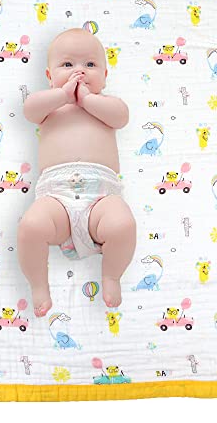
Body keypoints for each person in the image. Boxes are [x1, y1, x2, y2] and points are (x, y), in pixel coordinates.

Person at [17, 28, 136, 317]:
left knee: (122, 225)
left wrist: (88, 100)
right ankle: (38, 285)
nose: (79, 72)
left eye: (90, 64)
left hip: (101, 197)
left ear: (105, 76)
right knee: (31, 226)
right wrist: (61, 95)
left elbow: (121, 118)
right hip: (57, 197)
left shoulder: (108, 105)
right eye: (67, 64)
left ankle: (111, 276)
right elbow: (29, 111)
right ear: (50, 76)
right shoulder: (49, 107)